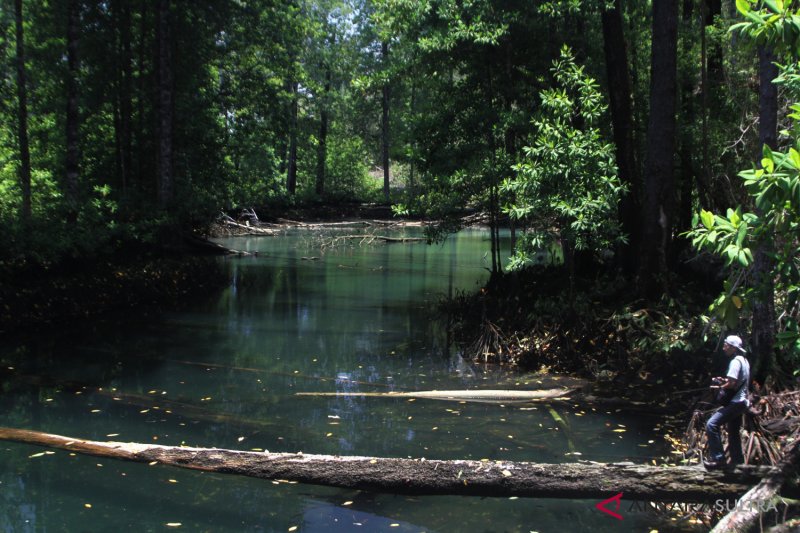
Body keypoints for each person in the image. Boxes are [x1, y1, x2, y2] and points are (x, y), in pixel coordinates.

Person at [704, 335, 750, 470]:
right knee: (734, 432)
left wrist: (719, 387)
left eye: (726, 345)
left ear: (733, 347)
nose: (723, 348)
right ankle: (738, 462)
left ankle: (718, 460)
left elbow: (732, 383)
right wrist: (724, 381)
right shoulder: (744, 360)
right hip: (742, 402)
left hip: (736, 402)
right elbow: (737, 381)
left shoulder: (735, 361)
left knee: (711, 424)